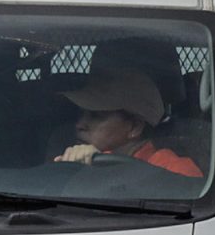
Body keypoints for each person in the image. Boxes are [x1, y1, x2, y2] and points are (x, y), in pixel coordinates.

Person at [53, 67, 202, 177]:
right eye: (81, 114)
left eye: (96, 116)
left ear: (135, 127)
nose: (79, 125)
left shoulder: (174, 170)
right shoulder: (91, 158)